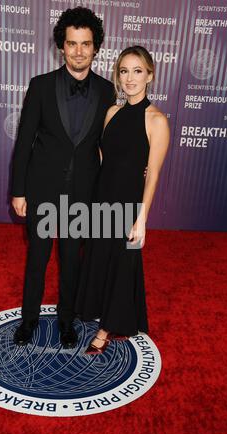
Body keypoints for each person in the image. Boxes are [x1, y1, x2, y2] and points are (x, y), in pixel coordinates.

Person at [11, 7, 114, 348]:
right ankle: (28, 321)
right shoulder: (40, 86)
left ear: (96, 46)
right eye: (72, 44)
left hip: (82, 193)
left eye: (86, 44)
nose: (79, 51)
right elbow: (24, 141)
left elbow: (108, 146)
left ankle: (67, 323)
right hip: (42, 189)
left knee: (72, 261)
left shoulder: (106, 91)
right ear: (62, 46)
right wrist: (19, 191)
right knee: (37, 259)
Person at [75, 46, 170, 354]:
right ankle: (115, 314)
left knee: (124, 261)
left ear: (150, 75)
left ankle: (104, 330)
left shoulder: (156, 120)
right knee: (100, 257)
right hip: (103, 199)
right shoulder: (112, 112)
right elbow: (104, 155)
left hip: (129, 206)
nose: (130, 79)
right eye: (124, 71)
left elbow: (153, 174)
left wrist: (141, 219)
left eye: (137, 71)